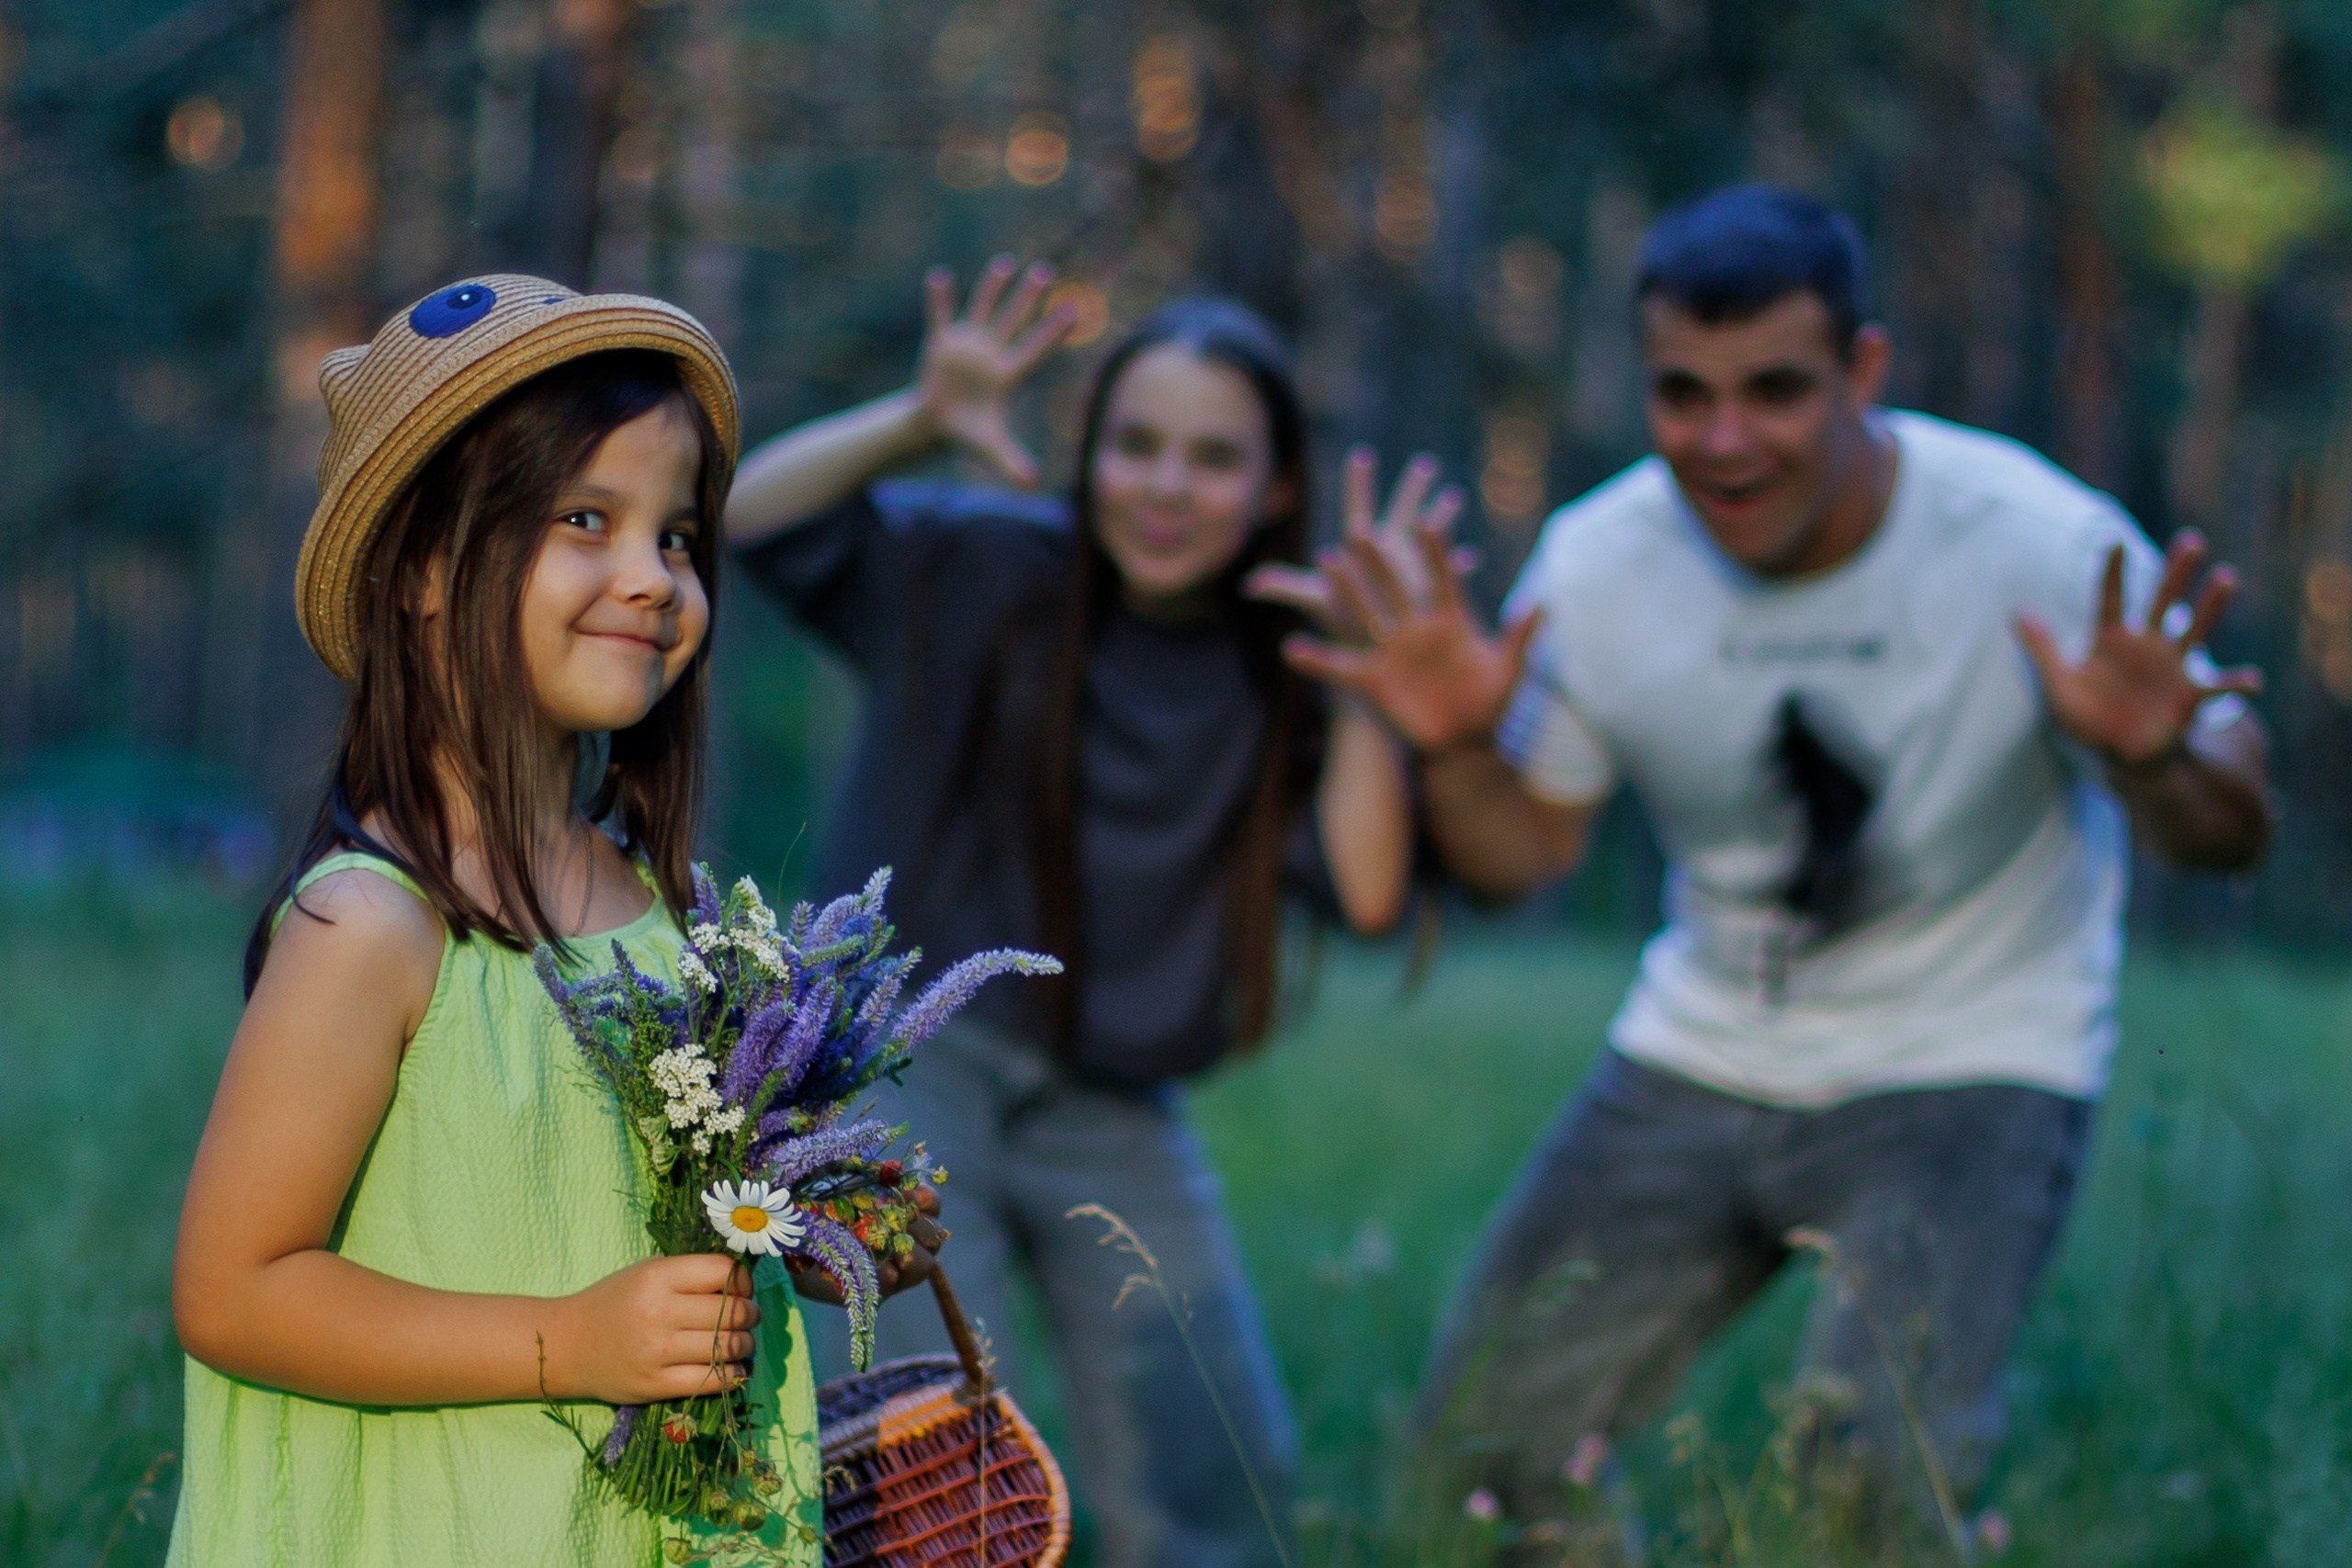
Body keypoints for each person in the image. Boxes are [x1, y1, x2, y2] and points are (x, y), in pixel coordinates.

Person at [1283, 186, 2274, 1556]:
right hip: (1699, 1049)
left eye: (1776, 390)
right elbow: (1524, 859)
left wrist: (2157, 758)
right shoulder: (1600, 564)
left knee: (1859, 1492)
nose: (1725, 441)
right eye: (1682, 395)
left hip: (1973, 1055)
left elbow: (2230, 829)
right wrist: (1451, 747)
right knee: (1477, 1464)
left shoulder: (2038, 542)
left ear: (1864, 372)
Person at [167, 276, 938, 1567]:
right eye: (586, 519)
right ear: (420, 566)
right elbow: (234, 1294)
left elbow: (658, 1226)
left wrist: (809, 1229)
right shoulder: (372, 926)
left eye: (677, 537)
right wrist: (568, 1342)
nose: (651, 577)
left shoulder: (666, 917)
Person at [724, 259, 1430, 1567]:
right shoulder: (986, 565)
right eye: (1136, 445)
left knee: (1218, 1473)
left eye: (1213, 458)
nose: (1166, 486)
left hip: (1113, 1101)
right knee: (922, 1460)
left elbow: (1372, 891)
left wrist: (1370, 686)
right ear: (1091, 453)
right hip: (904, 1066)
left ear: (1277, 488)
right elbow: (754, 516)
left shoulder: (1284, 660)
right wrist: (918, 418)